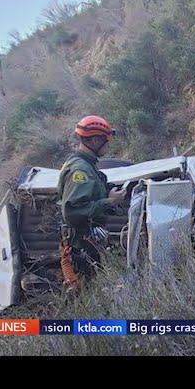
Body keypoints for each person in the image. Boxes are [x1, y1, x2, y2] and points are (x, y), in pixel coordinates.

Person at [57, 115, 126, 292]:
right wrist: (110, 201)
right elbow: (73, 212)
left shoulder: (85, 164)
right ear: (95, 141)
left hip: (86, 243)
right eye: (106, 141)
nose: (108, 145)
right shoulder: (80, 170)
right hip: (81, 246)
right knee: (85, 293)